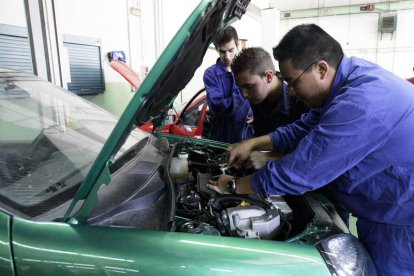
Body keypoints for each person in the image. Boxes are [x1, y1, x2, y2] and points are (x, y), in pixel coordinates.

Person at [207, 24, 414, 275]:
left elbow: (300, 171)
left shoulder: (361, 103)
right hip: (381, 211)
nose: (290, 90)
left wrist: (233, 187)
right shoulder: (350, 78)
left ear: (321, 69)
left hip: (400, 222)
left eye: (293, 82)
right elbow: (303, 127)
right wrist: (253, 142)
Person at [231, 47, 308, 137]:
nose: (244, 95)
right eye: (240, 88)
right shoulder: (258, 98)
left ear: (268, 76)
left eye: (249, 86)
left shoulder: (300, 100)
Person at [203, 26, 253, 143]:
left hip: (247, 134)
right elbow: (219, 107)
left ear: (237, 45)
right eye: (222, 51)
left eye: (231, 50)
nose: (227, 57)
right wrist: (243, 85)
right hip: (222, 136)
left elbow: (260, 96)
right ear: (216, 49)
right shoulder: (210, 74)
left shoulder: (250, 69)